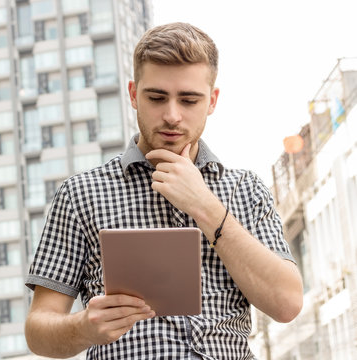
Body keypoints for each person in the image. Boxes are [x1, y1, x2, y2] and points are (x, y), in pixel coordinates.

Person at [25, 22, 303, 359]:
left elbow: (287, 304)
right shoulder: (81, 193)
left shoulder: (246, 189)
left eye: (189, 100)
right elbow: (38, 330)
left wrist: (204, 205)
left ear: (212, 101)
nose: (172, 116)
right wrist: (84, 327)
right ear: (132, 94)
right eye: (157, 98)